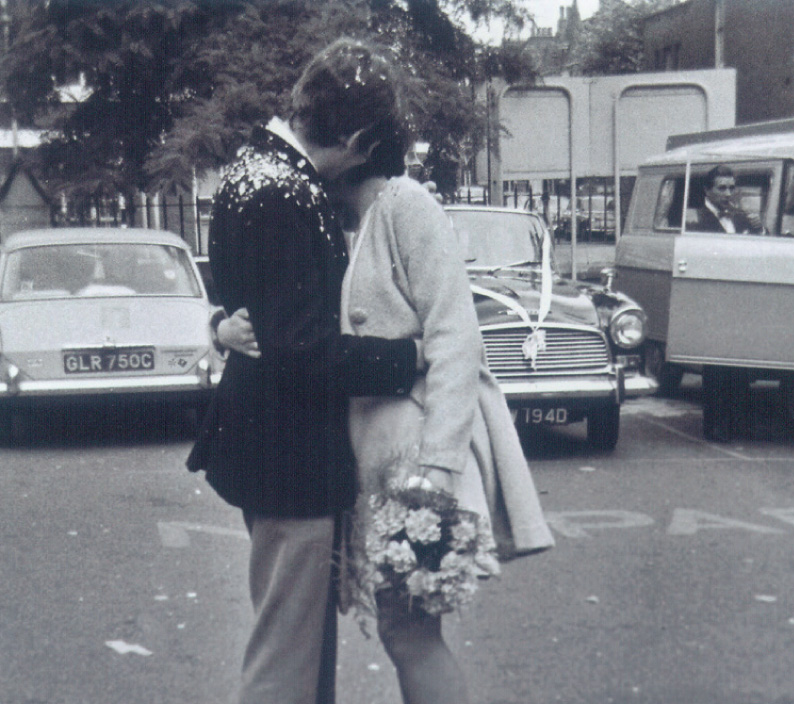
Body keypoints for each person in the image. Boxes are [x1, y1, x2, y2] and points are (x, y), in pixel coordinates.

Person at [218, 40, 554, 704]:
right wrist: (218, 327)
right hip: (371, 470)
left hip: (415, 471)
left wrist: (437, 467)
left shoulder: (405, 207)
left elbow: (457, 340)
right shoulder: (330, 203)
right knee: (398, 630)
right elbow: (280, 309)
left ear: (363, 141)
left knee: (409, 634)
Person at [186, 39, 424, 704]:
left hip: (272, 450)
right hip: (289, 457)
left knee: (299, 649)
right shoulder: (283, 195)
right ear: (354, 134)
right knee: (285, 660)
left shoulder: (256, 176)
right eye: (371, 148)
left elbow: (256, 314)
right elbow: (303, 349)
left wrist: (222, 328)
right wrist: (410, 358)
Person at [690, 164, 764, 234]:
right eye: (722, 188)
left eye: (731, 188)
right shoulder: (695, 218)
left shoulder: (739, 215)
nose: (728, 194)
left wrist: (759, 229)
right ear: (707, 190)